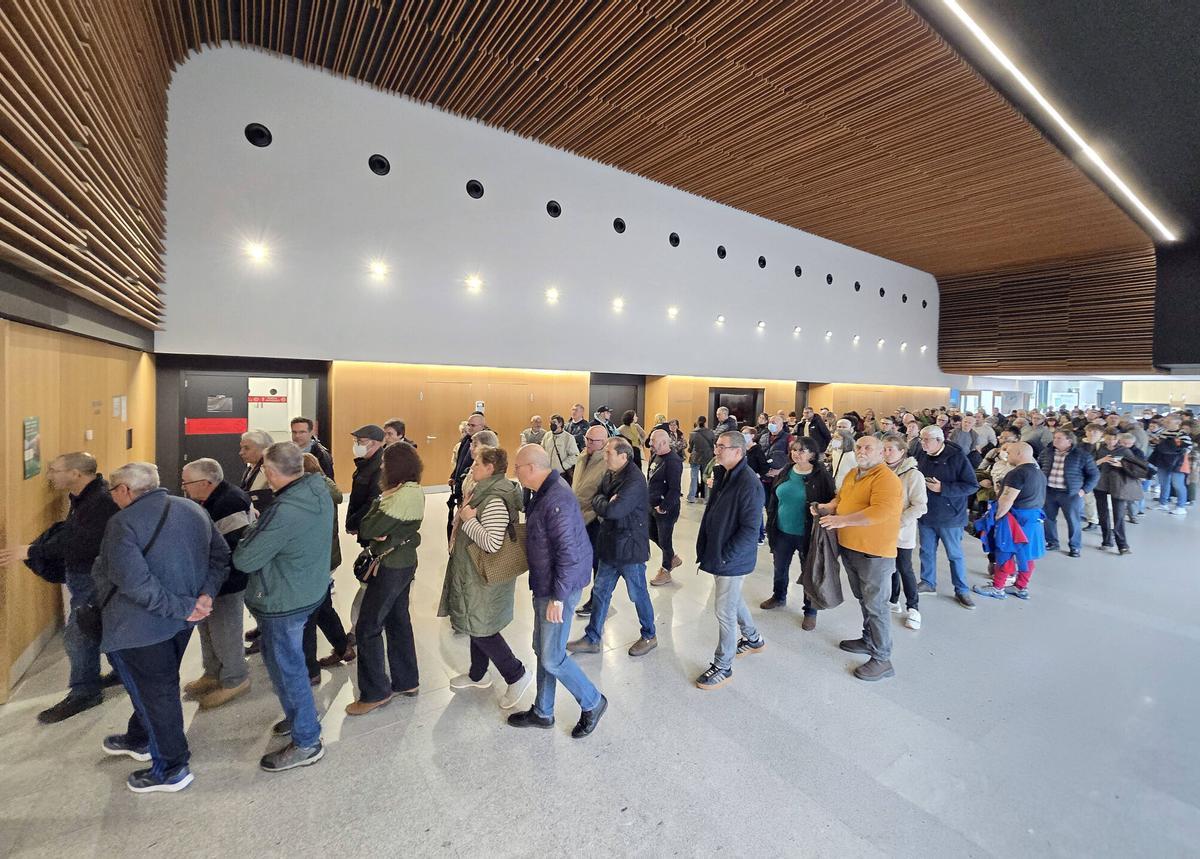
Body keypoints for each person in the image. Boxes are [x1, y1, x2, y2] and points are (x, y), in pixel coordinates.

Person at [95, 462, 229, 793]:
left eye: (113, 491)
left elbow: (136, 584)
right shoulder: (192, 509)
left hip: (139, 628)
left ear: (125, 490)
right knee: (159, 684)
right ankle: (140, 739)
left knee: (155, 693)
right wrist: (204, 598)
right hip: (183, 622)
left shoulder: (122, 523)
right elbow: (221, 557)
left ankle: (171, 768)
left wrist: (186, 606)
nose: (113, 498)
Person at [232, 442, 333, 772]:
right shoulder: (317, 488)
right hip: (306, 587)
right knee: (290, 667)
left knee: (287, 669)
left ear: (269, 472)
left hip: (284, 600)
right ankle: (299, 716)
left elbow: (245, 559)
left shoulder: (286, 510)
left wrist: (251, 532)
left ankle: (307, 740)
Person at [0, 452, 120, 724]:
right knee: (95, 628)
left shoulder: (99, 501)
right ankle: (120, 673)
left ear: (76, 473)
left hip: (91, 576)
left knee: (79, 635)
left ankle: (84, 692)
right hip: (85, 574)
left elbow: (83, 543)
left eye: (54, 470)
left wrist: (32, 550)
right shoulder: (85, 496)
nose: (50, 476)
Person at [508, 444, 607, 738]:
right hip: (547, 584)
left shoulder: (556, 499)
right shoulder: (544, 491)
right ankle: (543, 711)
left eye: (517, 467)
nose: (515, 473)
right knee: (542, 649)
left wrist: (558, 598)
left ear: (532, 468)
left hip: (558, 588)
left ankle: (592, 701)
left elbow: (569, 552)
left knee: (552, 657)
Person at [440, 445, 533, 709]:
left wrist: (468, 520)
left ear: (490, 468)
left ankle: (516, 674)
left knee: (482, 629)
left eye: (477, 464)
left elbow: (492, 543)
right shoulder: (483, 491)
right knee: (475, 623)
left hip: (484, 575)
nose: (472, 468)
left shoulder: (493, 499)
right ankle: (478, 675)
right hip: (475, 574)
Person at [814, 436, 903, 681]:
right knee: (864, 599)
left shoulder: (887, 479)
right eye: (858, 447)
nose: (861, 451)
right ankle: (868, 640)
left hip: (874, 553)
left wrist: (842, 520)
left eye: (868, 448)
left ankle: (883, 659)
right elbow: (841, 500)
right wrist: (829, 508)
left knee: (876, 606)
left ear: (881, 453)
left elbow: (881, 511)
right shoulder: (853, 473)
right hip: (850, 548)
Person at [348, 442, 425, 714]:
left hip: (389, 567)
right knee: (397, 619)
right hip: (404, 563)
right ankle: (406, 681)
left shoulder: (397, 497)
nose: (381, 467)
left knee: (368, 627)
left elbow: (367, 527)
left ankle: (375, 692)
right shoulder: (413, 491)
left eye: (384, 463)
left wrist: (377, 507)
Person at [567, 437, 657, 657]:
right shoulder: (611, 472)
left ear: (623, 456)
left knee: (638, 594)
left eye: (608, 453)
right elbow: (596, 497)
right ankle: (592, 638)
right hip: (610, 544)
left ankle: (649, 635)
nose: (605, 456)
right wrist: (605, 502)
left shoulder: (634, 481)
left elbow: (613, 511)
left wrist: (605, 504)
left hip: (629, 550)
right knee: (600, 592)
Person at [693, 431, 766, 690]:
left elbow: (750, 529)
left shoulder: (748, 483)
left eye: (722, 446)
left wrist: (726, 556)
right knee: (732, 599)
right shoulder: (724, 474)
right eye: (717, 445)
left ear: (738, 451)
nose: (716, 449)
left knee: (724, 610)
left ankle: (723, 665)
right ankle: (753, 638)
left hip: (731, 558)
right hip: (720, 553)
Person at [179, 458, 253, 709]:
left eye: (186, 482)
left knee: (225, 631)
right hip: (211, 579)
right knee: (208, 629)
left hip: (228, 579)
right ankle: (213, 672)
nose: (184, 487)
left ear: (205, 482)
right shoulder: (211, 499)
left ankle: (235, 678)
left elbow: (230, 549)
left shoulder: (229, 501)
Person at [761, 437, 836, 629]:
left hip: (807, 534)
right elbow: (774, 499)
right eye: (794, 450)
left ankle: (810, 610)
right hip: (781, 530)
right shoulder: (786, 470)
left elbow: (831, 503)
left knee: (808, 572)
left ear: (812, 454)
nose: (796, 453)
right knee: (780, 567)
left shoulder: (821, 475)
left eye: (802, 450)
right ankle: (779, 597)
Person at [301, 453, 354, 680]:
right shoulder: (325, 487)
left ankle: (310, 670)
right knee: (322, 607)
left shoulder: (311, 494)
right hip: (325, 558)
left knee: (307, 615)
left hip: (314, 560)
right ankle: (343, 647)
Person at [972, 442, 1047, 600]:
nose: (1007, 455)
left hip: (1015, 521)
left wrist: (996, 518)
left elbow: (1007, 499)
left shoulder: (1017, 473)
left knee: (1004, 553)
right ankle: (1021, 587)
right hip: (1033, 520)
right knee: (1027, 555)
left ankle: (998, 587)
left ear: (1019, 453)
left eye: (1010, 452)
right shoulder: (1039, 473)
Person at [915, 426, 979, 608]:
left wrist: (944, 488)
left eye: (926, 440)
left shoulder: (957, 457)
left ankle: (961, 589)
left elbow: (972, 485)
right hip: (927, 513)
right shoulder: (922, 454)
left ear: (939, 441)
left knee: (954, 554)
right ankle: (928, 582)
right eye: (921, 439)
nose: (922, 443)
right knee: (926, 551)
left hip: (950, 515)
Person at [881, 435, 927, 630]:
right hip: (881, 530)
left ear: (902, 451)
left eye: (891, 449)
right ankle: (893, 600)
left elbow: (920, 506)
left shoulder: (913, 475)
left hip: (901, 531)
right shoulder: (879, 471)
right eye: (883, 449)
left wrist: (898, 522)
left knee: (904, 568)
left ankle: (913, 607)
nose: (886, 453)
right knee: (888, 567)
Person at [1037, 429, 1099, 556]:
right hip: (1049, 491)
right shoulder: (1047, 453)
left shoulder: (1081, 455)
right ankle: (1052, 542)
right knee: (1048, 519)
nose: (1055, 440)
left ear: (1069, 441)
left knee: (1073, 520)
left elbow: (1094, 475)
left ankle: (1075, 546)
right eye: (1055, 437)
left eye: (1059, 438)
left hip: (1070, 494)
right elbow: (1038, 467)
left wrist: (1084, 490)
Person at [571, 426, 611, 617]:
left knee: (598, 563)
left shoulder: (607, 462)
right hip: (578, 517)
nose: (588, 443)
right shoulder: (582, 457)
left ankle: (597, 599)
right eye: (587, 439)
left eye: (592, 441)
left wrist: (599, 514)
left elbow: (607, 494)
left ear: (604, 442)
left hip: (595, 520)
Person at [1092, 431, 1148, 554]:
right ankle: (1106, 540)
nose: (1111, 442)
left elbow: (1138, 467)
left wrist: (1122, 465)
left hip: (1118, 484)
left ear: (1118, 439)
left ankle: (1122, 545)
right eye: (1108, 439)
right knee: (1102, 514)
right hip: (1100, 483)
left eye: (1114, 439)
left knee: (1119, 515)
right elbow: (1090, 464)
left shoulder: (1124, 451)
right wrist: (1101, 460)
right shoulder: (1098, 448)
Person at [647, 429, 684, 586]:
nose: (650, 444)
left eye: (653, 441)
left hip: (666, 510)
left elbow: (675, 489)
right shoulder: (656, 456)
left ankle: (666, 568)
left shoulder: (673, 461)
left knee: (664, 539)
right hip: (651, 506)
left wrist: (664, 506)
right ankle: (672, 557)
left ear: (663, 442)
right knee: (651, 533)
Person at [448, 412, 487, 538]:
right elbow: (460, 461)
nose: (469, 428)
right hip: (462, 485)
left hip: (472, 490)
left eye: (473, 425)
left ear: (482, 426)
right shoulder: (466, 440)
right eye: (468, 425)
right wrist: (454, 476)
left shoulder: (486, 442)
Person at [1149, 415, 1193, 514]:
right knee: (1163, 483)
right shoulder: (1163, 433)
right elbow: (1156, 445)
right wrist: (1154, 442)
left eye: (1168, 421)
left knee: (1178, 484)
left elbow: (1188, 448)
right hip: (1162, 460)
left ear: (1177, 423)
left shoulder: (1182, 434)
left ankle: (1181, 506)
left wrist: (1177, 450)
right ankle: (1163, 503)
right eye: (1165, 421)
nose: (1165, 423)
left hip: (1177, 462)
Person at [238, 429, 276, 513]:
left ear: (264, 449)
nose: (241, 453)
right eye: (241, 448)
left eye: (246, 448)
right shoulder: (250, 468)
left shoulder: (272, 471)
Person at [687, 416, 716, 502]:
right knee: (706, 477)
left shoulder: (692, 433)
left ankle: (691, 497)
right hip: (707, 457)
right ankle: (707, 498)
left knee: (693, 477)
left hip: (695, 458)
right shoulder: (710, 432)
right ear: (705, 422)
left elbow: (691, 447)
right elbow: (712, 444)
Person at [829, 420, 858, 489]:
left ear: (845, 440)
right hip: (836, 484)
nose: (835, 440)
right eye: (834, 437)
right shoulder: (835, 452)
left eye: (837, 438)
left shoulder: (850, 455)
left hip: (847, 486)